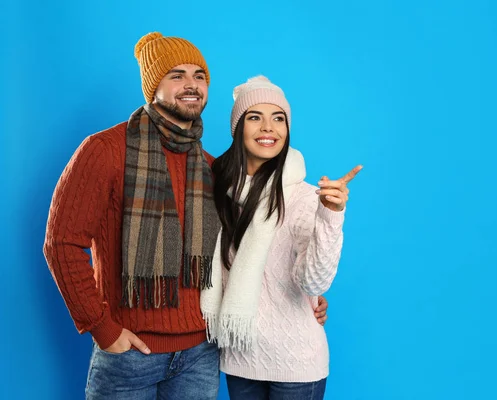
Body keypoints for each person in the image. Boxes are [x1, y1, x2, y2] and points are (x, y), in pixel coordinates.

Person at [43, 32, 328, 400]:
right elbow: (61, 244)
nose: (191, 84)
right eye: (176, 75)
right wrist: (103, 328)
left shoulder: (213, 170)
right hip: (130, 356)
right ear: (152, 86)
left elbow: (242, 255)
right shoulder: (105, 151)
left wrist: (306, 300)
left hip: (200, 355)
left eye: (199, 75)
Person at [202, 76, 361, 400]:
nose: (268, 128)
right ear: (237, 128)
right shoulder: (218, 191)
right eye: (254, 117)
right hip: (239, 358)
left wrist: (330, 216)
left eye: (278, 118)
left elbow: (312, 283)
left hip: (296, 365)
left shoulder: (305, 197)